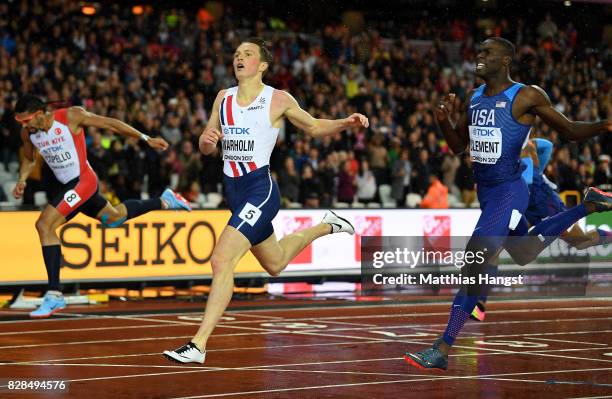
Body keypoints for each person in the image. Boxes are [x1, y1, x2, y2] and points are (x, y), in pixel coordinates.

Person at [405, 37, 611, 370]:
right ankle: (586, 207)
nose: (479, 55)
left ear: (505, 61)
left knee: (473, 262)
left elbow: (570, 131)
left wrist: (603, 124)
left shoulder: (526, 95)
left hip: (509, 192)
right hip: (487, 195)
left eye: (487, 52)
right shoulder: (473, 98)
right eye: (479, 50)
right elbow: (459, 147)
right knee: (524, 252)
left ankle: (442, 348)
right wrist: (443, 119)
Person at [163, 38, 368, 364]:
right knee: (275, 264)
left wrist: (345, 122)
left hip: (260, 190)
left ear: (263, 65)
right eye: (236, 55)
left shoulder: (277, 99)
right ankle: (328, 225)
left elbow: (313, 127)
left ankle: (198, 344)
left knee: (221, 260)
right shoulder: (223, 98)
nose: (239, 58)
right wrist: (205, 141)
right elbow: (206, 146)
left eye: (247, 54)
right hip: (234, 194)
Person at [12, 95, 192, 318]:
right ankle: (165, 201)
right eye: (20, 122)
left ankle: (54, 294)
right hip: (69, 187)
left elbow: (111, 124)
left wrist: (146, 138)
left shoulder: (71, 116)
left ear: (39, 113)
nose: (24, 125)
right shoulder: (28, 133)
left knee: (44, 225)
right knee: (114, 218)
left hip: (83, 182)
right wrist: (22, 180)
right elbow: (29, 160)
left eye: (26, 120)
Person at [470, 138, 611, 322]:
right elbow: (546, 147)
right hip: (520, 198)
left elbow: (544, 147)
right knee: (500, 247)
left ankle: (591, 207)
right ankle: (480, 303)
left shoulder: (519, 143)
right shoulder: (504, 145)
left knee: (580, 241)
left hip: (539, 199)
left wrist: (528, 143)